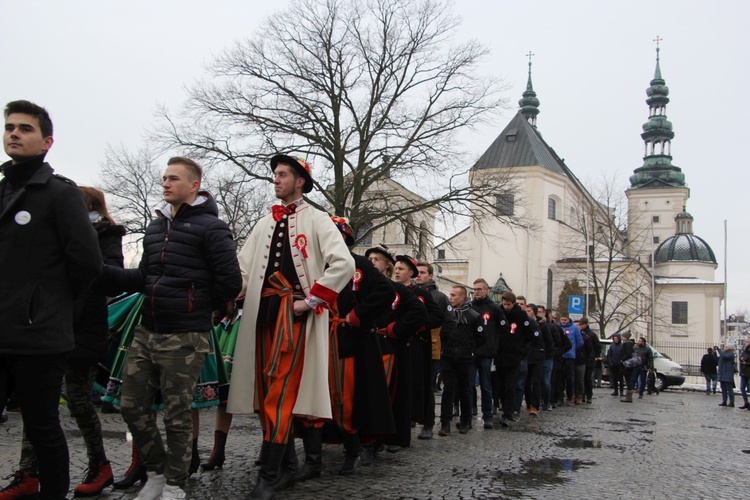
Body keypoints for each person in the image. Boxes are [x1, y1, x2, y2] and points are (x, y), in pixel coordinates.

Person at [102, 156, 242, 500]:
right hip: (147, 329)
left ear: (193, 186)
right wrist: (101, 270)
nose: (165, 183)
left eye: (173, 178)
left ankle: (176, 485)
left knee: (178, 414)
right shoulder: (155, 227)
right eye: (164, 177)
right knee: (131, 406)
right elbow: (142, 277)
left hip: (185, 335)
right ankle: (156, 472)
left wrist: (197, 308)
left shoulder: (213, 228)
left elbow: (231, 283)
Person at [226, 155, 354, 500]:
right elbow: (242, 272)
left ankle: (267, 476)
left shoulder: (318, 219)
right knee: (267, 390)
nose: (275, 179)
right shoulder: (263, 222)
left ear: (300, 181)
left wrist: (310, 300)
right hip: (262, 316)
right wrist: (220, 292)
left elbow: (344, 263)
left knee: (279, 393)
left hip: (294, 319)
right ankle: (284, 466)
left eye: (282, 174)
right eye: (275, 174)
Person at [0, 100, 102, 500]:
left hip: (39, 335)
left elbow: (88, 265)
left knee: (42, 425)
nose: (13, 133)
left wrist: (47, 306)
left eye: (25, 128)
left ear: (47, 142)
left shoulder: (60, 194)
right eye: (9, 127)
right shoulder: (4, 191)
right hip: (1, 328)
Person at [415, 263, 454, 439]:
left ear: (431, 276)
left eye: (423, 273)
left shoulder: (439, 297)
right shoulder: (411, 293)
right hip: (411, 344)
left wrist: (438, 339)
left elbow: (449, 321)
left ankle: (428, 423)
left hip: (431, 346)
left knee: (427, 386)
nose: (419, 275)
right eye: (417, 272)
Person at [438, 286, 481, 436]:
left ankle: (465, 421)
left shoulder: (473, 316)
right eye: (450, 294)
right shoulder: (446, 314)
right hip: (448, 356)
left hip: (465, 358)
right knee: (448, 390)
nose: (450, 298)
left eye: (454, 295)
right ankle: (445, 424)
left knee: (465, 390)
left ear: (462, 297)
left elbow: (481, 338)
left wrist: (471, 351)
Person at [468, 279, 503, 427]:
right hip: (471, 352)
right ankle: (468, 415)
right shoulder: (469, 306)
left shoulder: (494, 308)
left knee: (486, 385)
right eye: (475, 289)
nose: (476, 292)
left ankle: (487, 416)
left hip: (487, 352)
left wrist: (494, 345)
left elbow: (503, 328)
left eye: (479, 289)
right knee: (469, 385)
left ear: (486, 290)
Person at [495, 292, 530, 428]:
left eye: (509, 304)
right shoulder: (499, 312)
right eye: (504, 304)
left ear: (513, 303)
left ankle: (508, 412)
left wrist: (522, 350)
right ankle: (503, 407)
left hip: (514, 355)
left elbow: (529, 335)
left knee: (511, 385)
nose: (506, 307)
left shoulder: (521, 315)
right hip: (500, 354)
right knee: (500, 385)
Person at [558, 314, 582, 406]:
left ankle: (569, 397)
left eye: (565, 320)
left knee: (569, 377)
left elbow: (579, 342)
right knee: (560, 378)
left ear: (568, 319)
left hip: (570, 356)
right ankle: (559, 398)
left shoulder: (574, 328)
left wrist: (572, 349)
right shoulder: (558, 327)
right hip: (560, 356)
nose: (563, 321)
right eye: (562, 319)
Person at [578, 317, 601, 404]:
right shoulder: (581, 334)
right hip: (583, 359)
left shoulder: (592, 335)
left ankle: (589, 395)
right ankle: (582, 394)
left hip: (590, 360)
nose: (581, 326)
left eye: (582, 325)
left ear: (586, 324)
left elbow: (597, 346)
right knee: (582, 378)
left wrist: (595, 355)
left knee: (587, 378)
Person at [739, 339, 750, 410]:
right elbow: (740, 357)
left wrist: (747, 363)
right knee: (742, 388)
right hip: (743, 372)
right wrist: (742, 359)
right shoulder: (744, 351)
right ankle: (746, 402)